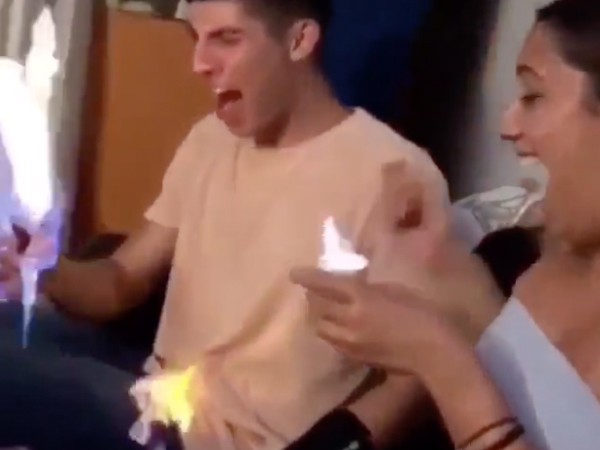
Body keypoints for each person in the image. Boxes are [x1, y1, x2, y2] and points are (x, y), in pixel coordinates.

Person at [0, 0, 468, 449]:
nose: (200, 64)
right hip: (157, 391)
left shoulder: (393, 173)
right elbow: (121, 279)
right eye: (197, 39)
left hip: (224, 437)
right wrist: (42, 265)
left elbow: (424, 370)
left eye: (226, 38)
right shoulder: (209, 140)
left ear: (299, 41)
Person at [292, 1, 600, 449]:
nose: (507, 126)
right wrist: (437, 267)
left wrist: (441, 359)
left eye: (534, 97)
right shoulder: (513, 258)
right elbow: (394, 405)